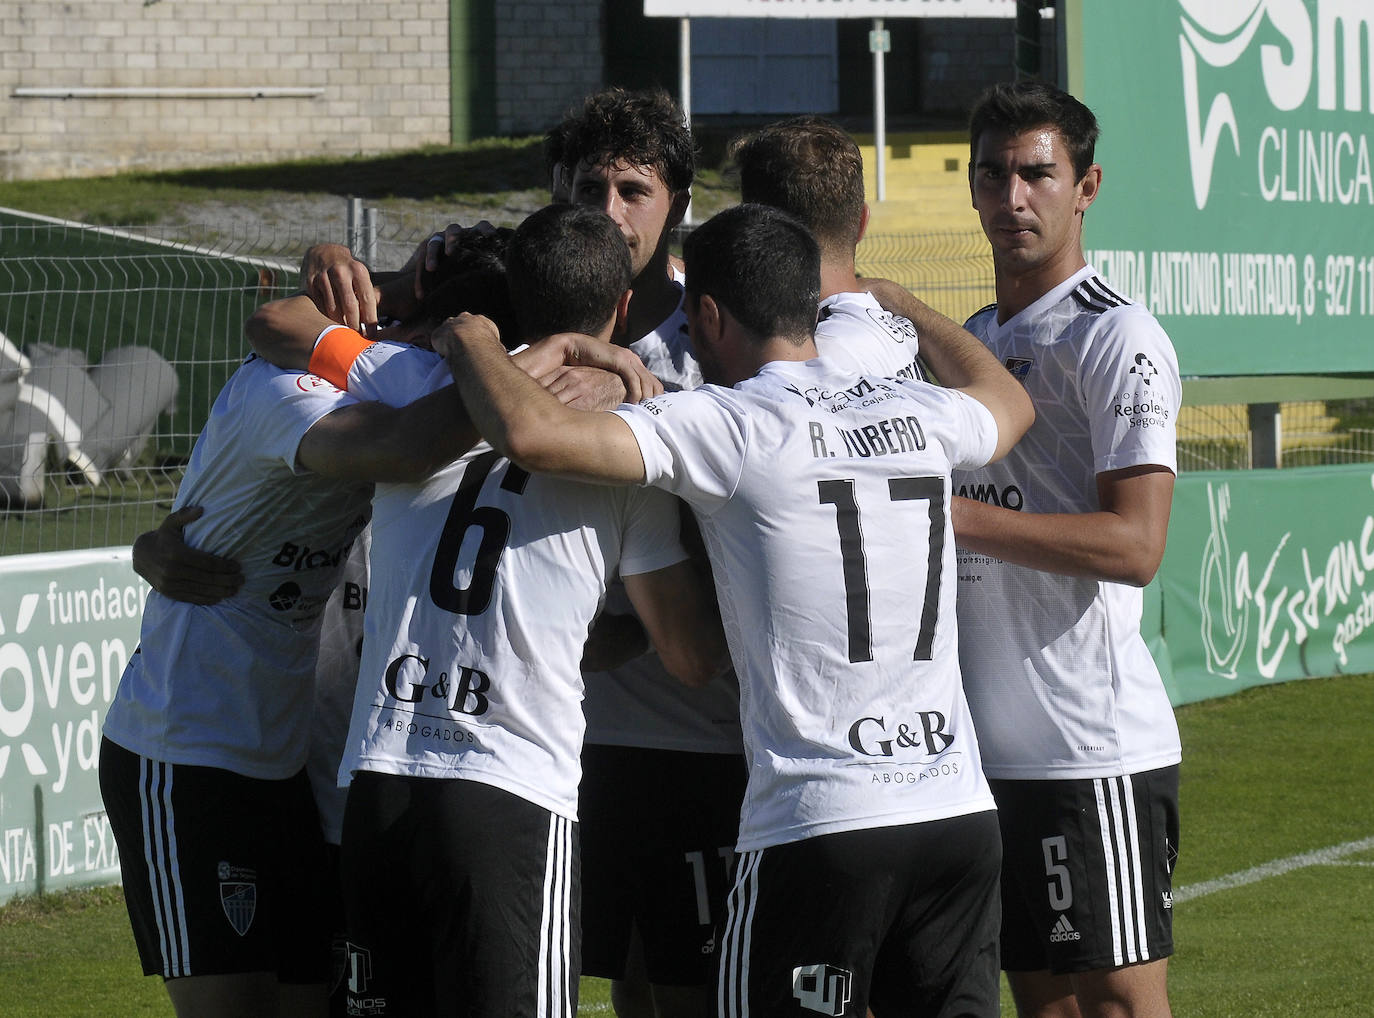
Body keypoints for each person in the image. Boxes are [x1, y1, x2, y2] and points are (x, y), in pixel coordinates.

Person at [435, 203, 1035, 1018]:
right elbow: (1007, 399)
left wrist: (469, 336)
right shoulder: (917, 414)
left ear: (710, 315)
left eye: (689, 319)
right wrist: (909, 309)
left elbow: (530, 434)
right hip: (956, 813)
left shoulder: (730, 424)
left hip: (820, 823)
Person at [244, 202, 729, 1018]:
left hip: (380, 782)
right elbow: (687, 655)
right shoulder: (625, 442)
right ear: (617, 309)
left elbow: (279, 322)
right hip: (505, 794)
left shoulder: (421, 379)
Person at [98, 323, 491, 1018]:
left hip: (302, 777)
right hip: (201, 754)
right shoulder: (290, 397)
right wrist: (527, 366)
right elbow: (392, 445)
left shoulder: (402, 423)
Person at [952, 81, 1182, 1018]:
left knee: (1120, 1003)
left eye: (1037, 174)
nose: (1014, 198)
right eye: (994, 174)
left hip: (1093, 745)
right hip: (985, 750)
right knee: (1041, 1003)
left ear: (1085, 187)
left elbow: (1136, 544)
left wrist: (957, 518)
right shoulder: (969, 344)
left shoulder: (1117, 335)